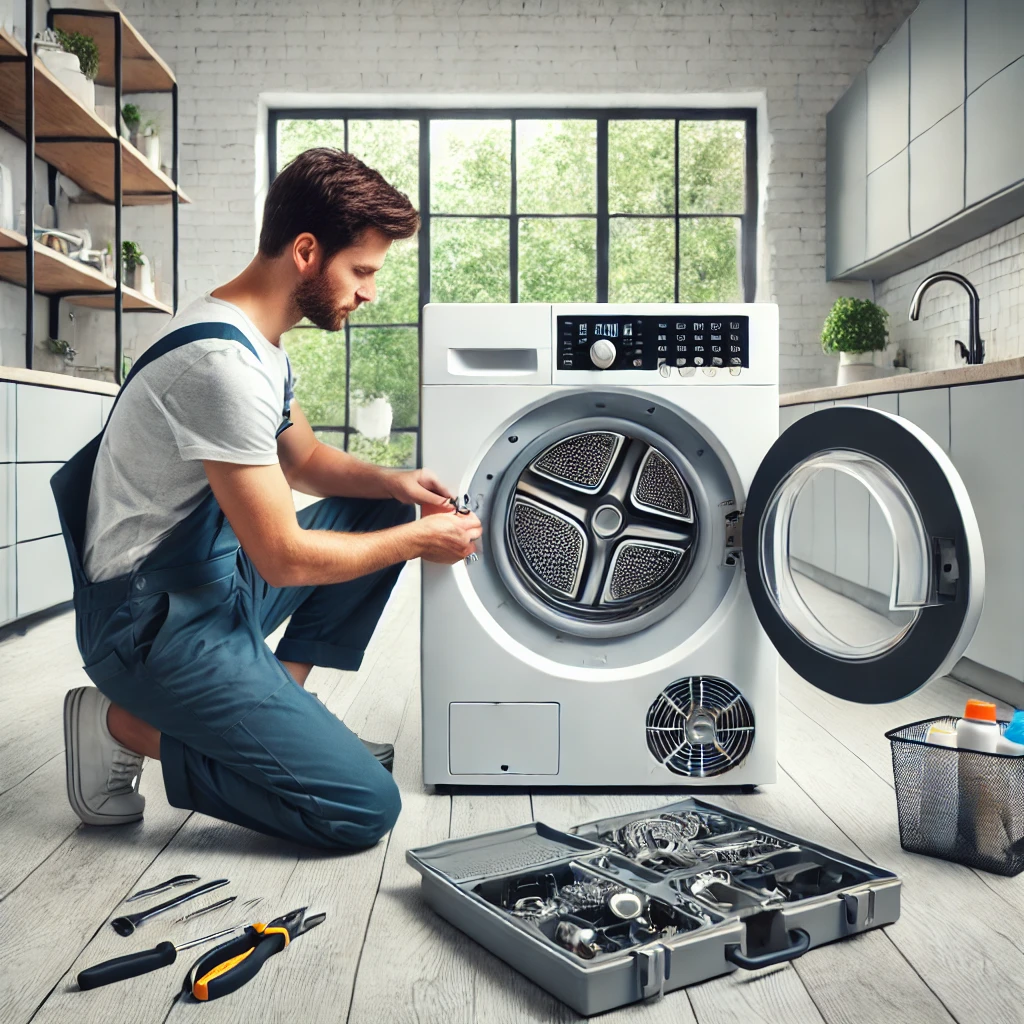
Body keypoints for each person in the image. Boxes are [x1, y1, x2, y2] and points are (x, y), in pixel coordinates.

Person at [54, 148, 482, 851]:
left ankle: (275, 704)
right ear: (307, 251)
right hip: (151, 628)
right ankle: (121, 724)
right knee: (361, 808)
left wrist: (395, 483)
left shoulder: (259, 345)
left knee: (382, 509)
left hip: (211, 587)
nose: (370, 293)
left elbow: (306, 462)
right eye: (363, 271)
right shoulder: (221, 367)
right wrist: (420, 542)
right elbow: (283, 559)